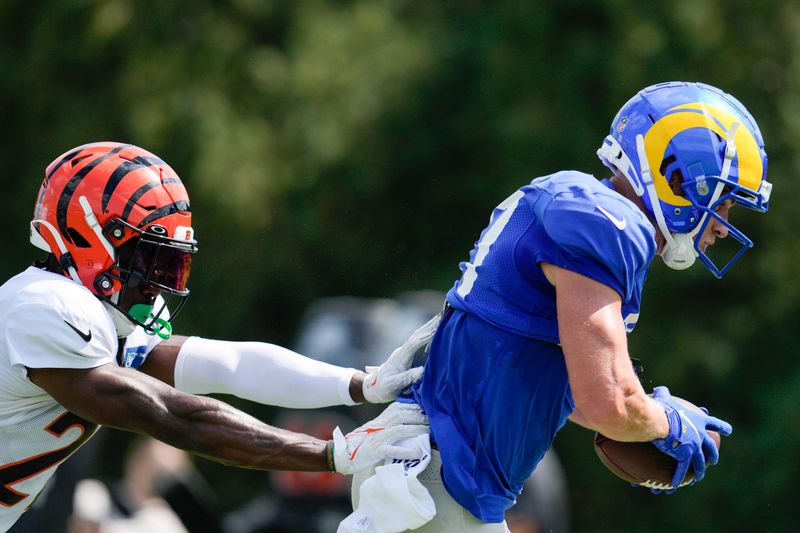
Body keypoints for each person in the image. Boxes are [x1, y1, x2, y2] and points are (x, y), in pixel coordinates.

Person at [358, 81, 772, 531]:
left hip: (431, 475)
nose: (724, 227)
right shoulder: (610, 224)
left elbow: (551, 378)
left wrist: (645, 415)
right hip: (442, 489)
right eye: (725, 202)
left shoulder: (571, 200)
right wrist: (666, 423)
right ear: (675, 176)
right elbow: (608, 403)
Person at [0, 141, 435, 533]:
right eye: (148, 259)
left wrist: (360, 384)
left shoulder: (89, 316)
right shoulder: (44, 306)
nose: (158, 283)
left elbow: (229, 365)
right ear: (91, 236)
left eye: (169, 265)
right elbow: (173, 417)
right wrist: (330, 454)